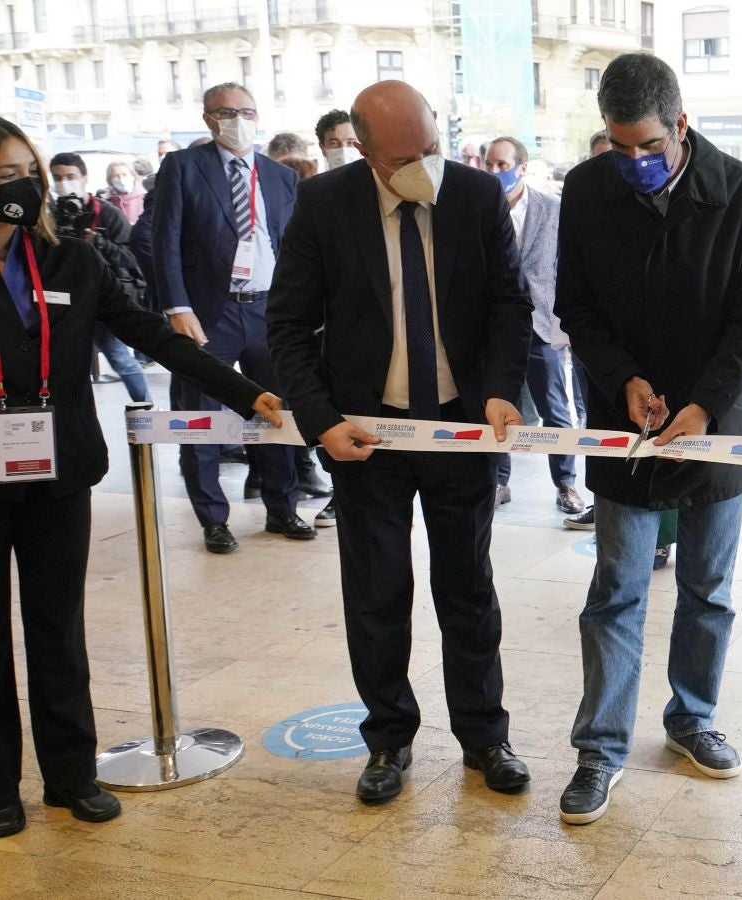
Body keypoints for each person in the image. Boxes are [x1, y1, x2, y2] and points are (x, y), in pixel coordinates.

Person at [0, 116, 284, 838]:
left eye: (20, 172)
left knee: (58, 630)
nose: (18, 187)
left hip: (57, 470)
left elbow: (150, 332)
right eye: (1, 177)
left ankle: (70, 776)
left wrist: (243, 391)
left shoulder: (70, 262)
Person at [269, 80, 532, 803]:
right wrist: (321, 419)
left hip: (459, 429)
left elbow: (510, 302)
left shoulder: (475, 197)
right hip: (367, 437)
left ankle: (485, 738)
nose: (427, 164)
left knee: (468, 591)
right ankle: (388, 741)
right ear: (366, 153)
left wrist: (501, 390)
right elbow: (288, 324)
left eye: (434, 147)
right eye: (409, 155)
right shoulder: (326, 205)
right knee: (377, 594)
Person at [553, 53, 742, 826]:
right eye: (619, 148)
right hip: (628, 424)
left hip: (718, 427)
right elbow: (575, 309)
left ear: (681, 124)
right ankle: (599, 748)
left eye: (648, 147)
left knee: (708, 589)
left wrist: (705, 405)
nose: (634, 162)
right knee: (615, 591)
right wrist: (623, 382)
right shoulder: (585, 191)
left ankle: (692, 719)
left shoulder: (741, 191)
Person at [152, 82, 309, 553]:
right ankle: (213, 519)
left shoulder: (280, 177)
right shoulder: (183, 167)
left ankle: (282, 509)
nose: (236, 119)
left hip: (268, 313)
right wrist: (177, 307)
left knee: (279, 415)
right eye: (225, 112)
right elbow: (165, 243)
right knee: (200, 419)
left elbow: (295, 250)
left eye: (245, 110)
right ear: (208, 120)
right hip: (207, 315)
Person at [482, 135, 584, 514]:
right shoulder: (479, 208)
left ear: (521, 167)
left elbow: (566, 269)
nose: (494, 171)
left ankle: (566, 485)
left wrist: (567, 325)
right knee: (496, 406)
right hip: (493, 327)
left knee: (556, 411)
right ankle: (499, 481)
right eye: (489, 164)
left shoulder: (552, 209)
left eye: (501, 165)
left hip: (542, 325)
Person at [48, 153, 151, 404]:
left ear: (84, 177)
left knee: (119, 358)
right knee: (67, 363)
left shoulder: (107, 213)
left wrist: (101, 243)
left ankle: (145, 408)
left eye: (71, 177)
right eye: (58, 177)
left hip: (103, 299)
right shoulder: (48, 216)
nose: (65, 182)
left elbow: (131, 259)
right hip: (63, 301)